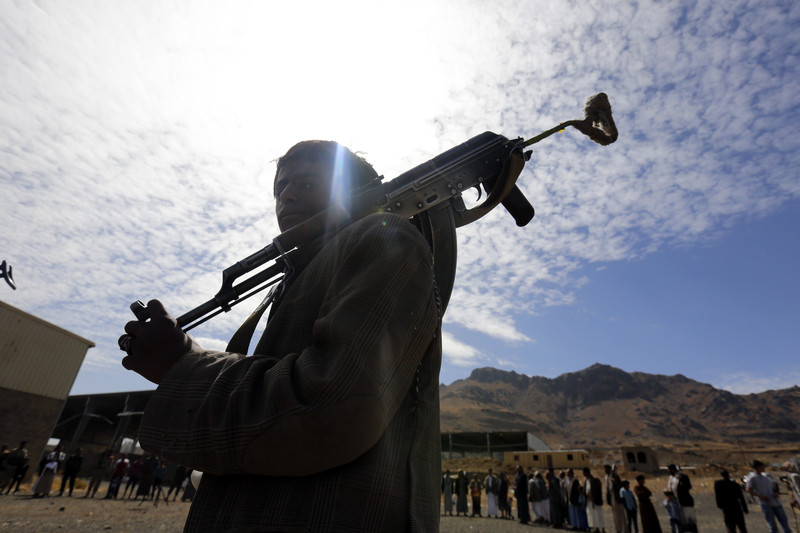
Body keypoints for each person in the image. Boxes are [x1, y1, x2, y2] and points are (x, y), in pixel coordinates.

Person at [119, 140, 442, 532]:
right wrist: (185, 358)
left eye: (307, 184)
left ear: (354, 191)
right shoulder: (301, 274)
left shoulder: (382, 237)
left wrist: (181, 366)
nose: (286, 196)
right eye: (281, 188)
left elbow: (329, 402)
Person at [746, 460, 793, 533]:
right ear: (758, 467)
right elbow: (748, 489)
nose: (764, 468)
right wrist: (760, 496)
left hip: (776, 502)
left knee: (785, 523)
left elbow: (772, 488)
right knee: (772, 525)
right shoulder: (752, 478)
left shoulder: (766, 477)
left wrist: (775, 493)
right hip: (766, 504)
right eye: (762, 466)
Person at [668, 464, 697, 533]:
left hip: (685, 501)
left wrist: (681, 481)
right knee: (681, 521)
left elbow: (688, 487)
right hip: (676, 502)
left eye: (669, 470)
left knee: (690, 520)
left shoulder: (683, 477)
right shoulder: (671, 478)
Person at [606, 464, 628, 533]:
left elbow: (620, 487)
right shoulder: (608, 477)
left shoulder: (616, 477)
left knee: (621, 515)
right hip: (612, 497)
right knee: (615, 516)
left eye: (606, 469)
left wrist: (615, 483)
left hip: (617, 498)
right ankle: (618, 529)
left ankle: (624, 530)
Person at [585, 468, 605, 533]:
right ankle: (596, 528)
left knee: (599, 515)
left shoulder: (594, 480)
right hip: (589, 501)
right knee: (593, 515)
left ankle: (603, 529)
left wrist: (595, 497)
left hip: (596, 501)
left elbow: (598, 490)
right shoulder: (586, 481)